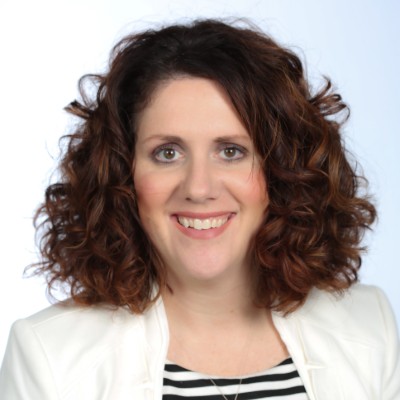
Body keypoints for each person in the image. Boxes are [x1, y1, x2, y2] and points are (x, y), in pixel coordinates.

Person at [0, 19, 399, 400]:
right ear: (123, 173)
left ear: (282, 170)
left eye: (231, 151)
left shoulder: (370, 328)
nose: (198, 188)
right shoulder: (49, 357)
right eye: (167, 153)